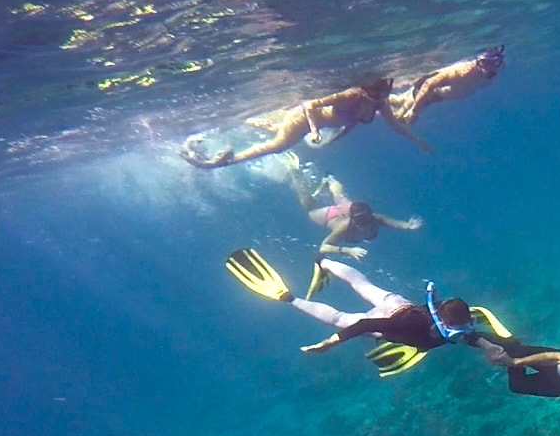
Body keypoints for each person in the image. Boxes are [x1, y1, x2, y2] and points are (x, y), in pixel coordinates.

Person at [224, 247, 504, 376]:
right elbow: (360, 328)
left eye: (463, 329)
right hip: (386, 323)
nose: (460, 335)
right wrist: (329, 343)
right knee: (339, 319)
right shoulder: (413, 328)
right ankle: (290, 298)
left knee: (362, 282)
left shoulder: (456, 327)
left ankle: (324, 261)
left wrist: (490, 348)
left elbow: (473, 337)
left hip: (398, 303)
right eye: (456, 331)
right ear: (443, 322)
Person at [278, 153, 423, 294]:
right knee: (309, 205)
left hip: (349, 208)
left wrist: (408, 226)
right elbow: (324, 247)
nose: (366, 225)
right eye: (361, 222)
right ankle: (295, 173)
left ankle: (330, 179)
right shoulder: (344, 227)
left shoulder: (374, 218)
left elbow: (393, 223)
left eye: (367, 220)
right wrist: (348, 251)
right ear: (354, 220)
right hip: (330, 216)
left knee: (341, 197)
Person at [182, 79, 400, 170]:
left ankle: (243, 120)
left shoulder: (372, 105)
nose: (384, 98)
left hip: (304, 124)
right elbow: (309, 105)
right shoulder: (352, 96)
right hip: (304, 120)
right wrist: (315, 130)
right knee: (277, 145)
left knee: (279, 131)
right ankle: (226, 161)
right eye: (382, 94)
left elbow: (351, 124)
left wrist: (419, 141)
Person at [387, 46, 505, 149]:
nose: (488, 69)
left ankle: (380, 103)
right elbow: (429, 84)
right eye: (485, 63)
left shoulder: (491, 76)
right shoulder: (461, 72)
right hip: (427, 93)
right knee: (399, 114)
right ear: (478, 61)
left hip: (437, 97)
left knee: (399, 102)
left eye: (495, 63)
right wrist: (414, 111)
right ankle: (376, 105)